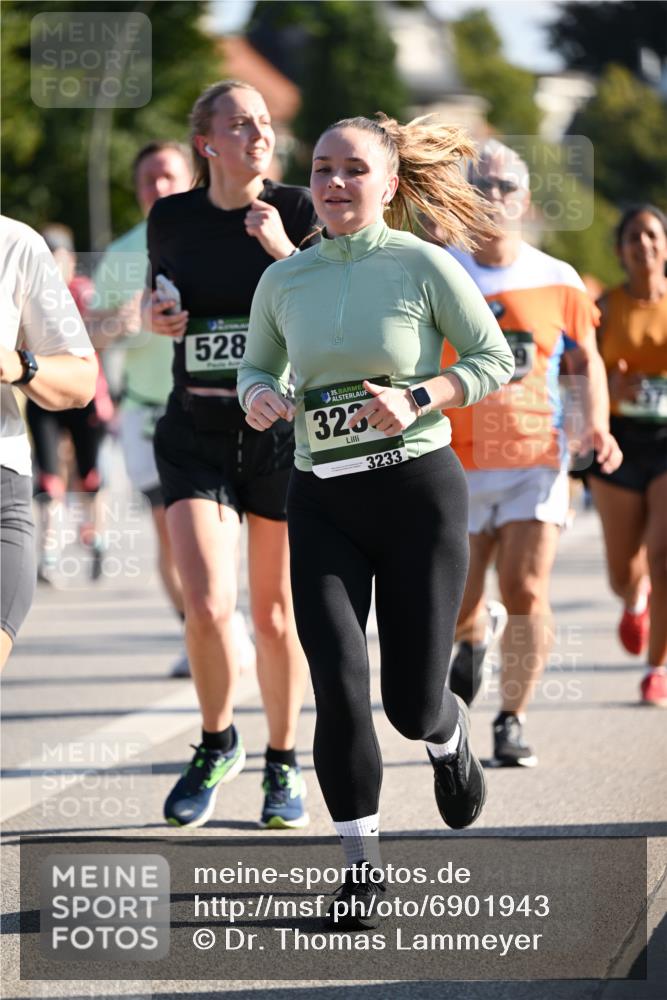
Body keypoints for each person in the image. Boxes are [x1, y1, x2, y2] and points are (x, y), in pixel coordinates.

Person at [238, 113, 515, 926]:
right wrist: (260, 394)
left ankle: (446, 730)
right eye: (321, 168)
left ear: (389, 184)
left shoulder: (423, 264)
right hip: (321, 497)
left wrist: (420, 395)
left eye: (353, 169)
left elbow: (494, 358)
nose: (331, 183)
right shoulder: (284, 278)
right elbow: (261, 362)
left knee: (407, 702)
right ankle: (361, 871)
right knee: (339, 690)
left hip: (417, 496)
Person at [145, 81, 317, 829]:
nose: (257, 132)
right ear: (205, 142)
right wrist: (161, 316)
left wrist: (284, 253)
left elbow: (330, 314)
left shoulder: (300, 210)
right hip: (196, 431)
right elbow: (164, 304)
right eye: (238, 123)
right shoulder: (172, 216)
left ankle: (283, 762)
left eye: (264, 122)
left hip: (279, 438)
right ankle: (218, 742)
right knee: (210, 605)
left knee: (276, 616)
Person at [440, 140, 622, 766]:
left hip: (534, 457)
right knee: (459, 601)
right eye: (480, 186)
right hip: (455, 461)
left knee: (525, 588)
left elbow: (584, 360)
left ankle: (511, 720)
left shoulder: (558, 278)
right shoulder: (439, 269)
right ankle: (471, 638)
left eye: (504, 187)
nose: (492, 197)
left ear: (524, 200)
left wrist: (595, 424)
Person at [87, 141, 198, 674]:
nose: (157, 187)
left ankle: (228, 622)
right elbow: (91, 336)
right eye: (148, 179)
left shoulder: (216, 236)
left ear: (190, 179)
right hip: (151, 411)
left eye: (168, 176)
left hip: (220, 406)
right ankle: (195, 630)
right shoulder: (122, 254)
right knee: (170, 529)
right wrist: (119, 323)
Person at [0, 215, 97, 670]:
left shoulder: (16, 244)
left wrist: (17, 364)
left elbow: (82, 378)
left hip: (3, 477)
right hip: (37, 409)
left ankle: (83, 540)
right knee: (54, 477)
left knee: (83, 474)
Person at [587, 204, 667, 706]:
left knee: (664, 558)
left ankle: (657, 667)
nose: (644, 245)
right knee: (624, 571)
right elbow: (581, 374)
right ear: (620, 250)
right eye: (634, 237)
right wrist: (611, 384)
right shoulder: (606, 307)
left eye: (653, 235)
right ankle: (634, 601)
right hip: (618, 443)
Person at [25, 224, 112, 583]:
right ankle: (48, 553)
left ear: (71, 260)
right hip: (42, 394)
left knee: (88, 475)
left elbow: (99, 332)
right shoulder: (26, 295)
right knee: (48, 478)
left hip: (83, 396)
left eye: (57, 256)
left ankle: (96, 537)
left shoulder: (83, 292)